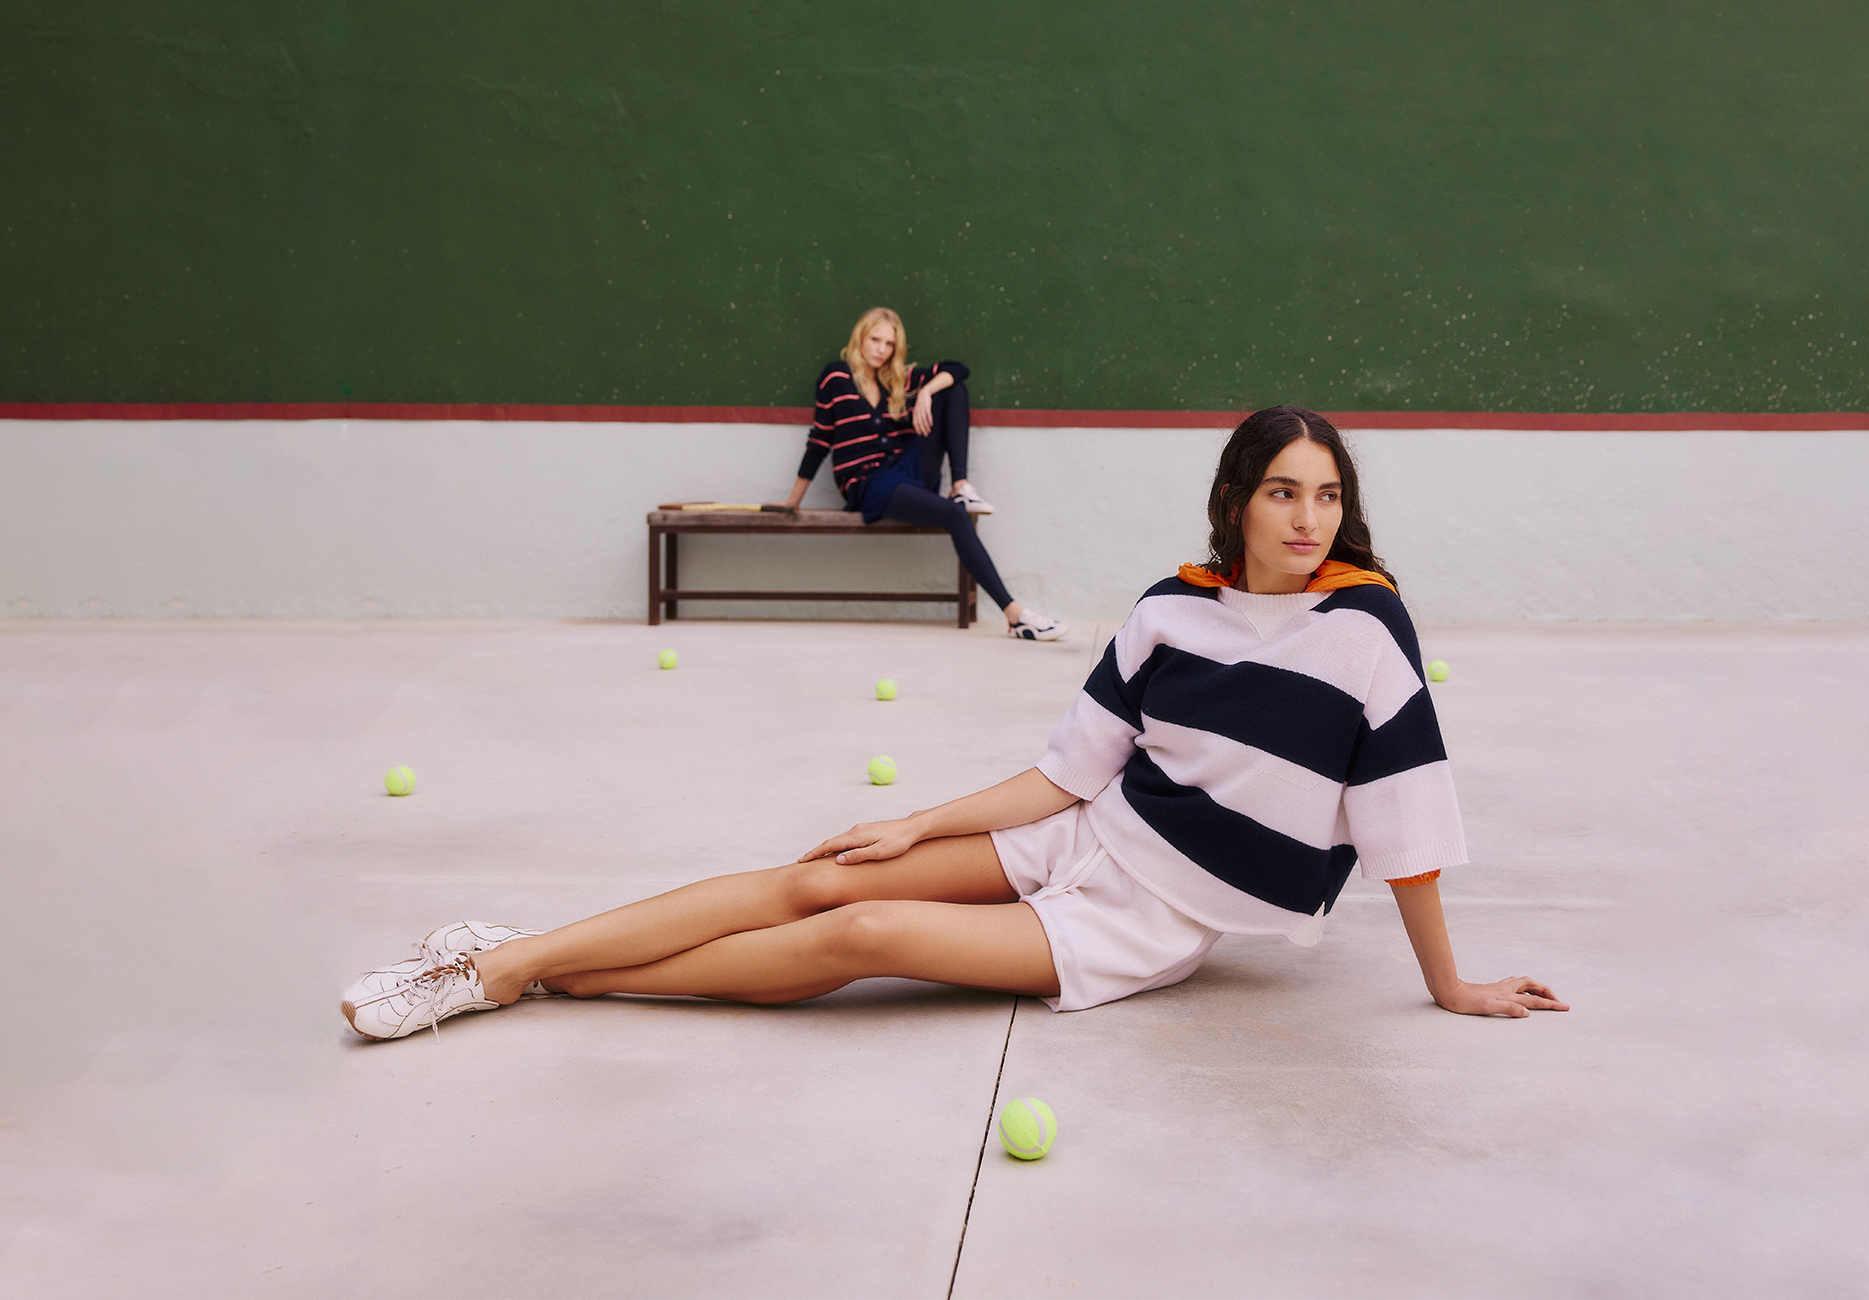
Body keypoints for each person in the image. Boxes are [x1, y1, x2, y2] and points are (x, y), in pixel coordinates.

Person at [342, 406, 1567, 1040]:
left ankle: (534, 970)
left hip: (1156, 917)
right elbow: (1067, 771)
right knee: (826, 872)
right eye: (1283, 492)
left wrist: (1449, 983)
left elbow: (1405, 820)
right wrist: (910, 820)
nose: (1307, 518)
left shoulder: (1367, 631)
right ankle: (502, 962)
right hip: (1086, 833)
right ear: (1237, 502)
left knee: (860, 931)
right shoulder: (1169, 613)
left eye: (1327, 495)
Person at [766, 307, 1068, 641]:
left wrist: (924, 391)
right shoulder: (836, 377)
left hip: (909, 469)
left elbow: (958, 369)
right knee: (956, 515)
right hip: (870, 484)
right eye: (875, 340)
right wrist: (793, 500)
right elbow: (820, 439)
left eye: (889, 344)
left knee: (951, 388)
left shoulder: (898, 380)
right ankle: (1015, 616)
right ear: (860, 338)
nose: (881, 349)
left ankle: (961, 483)